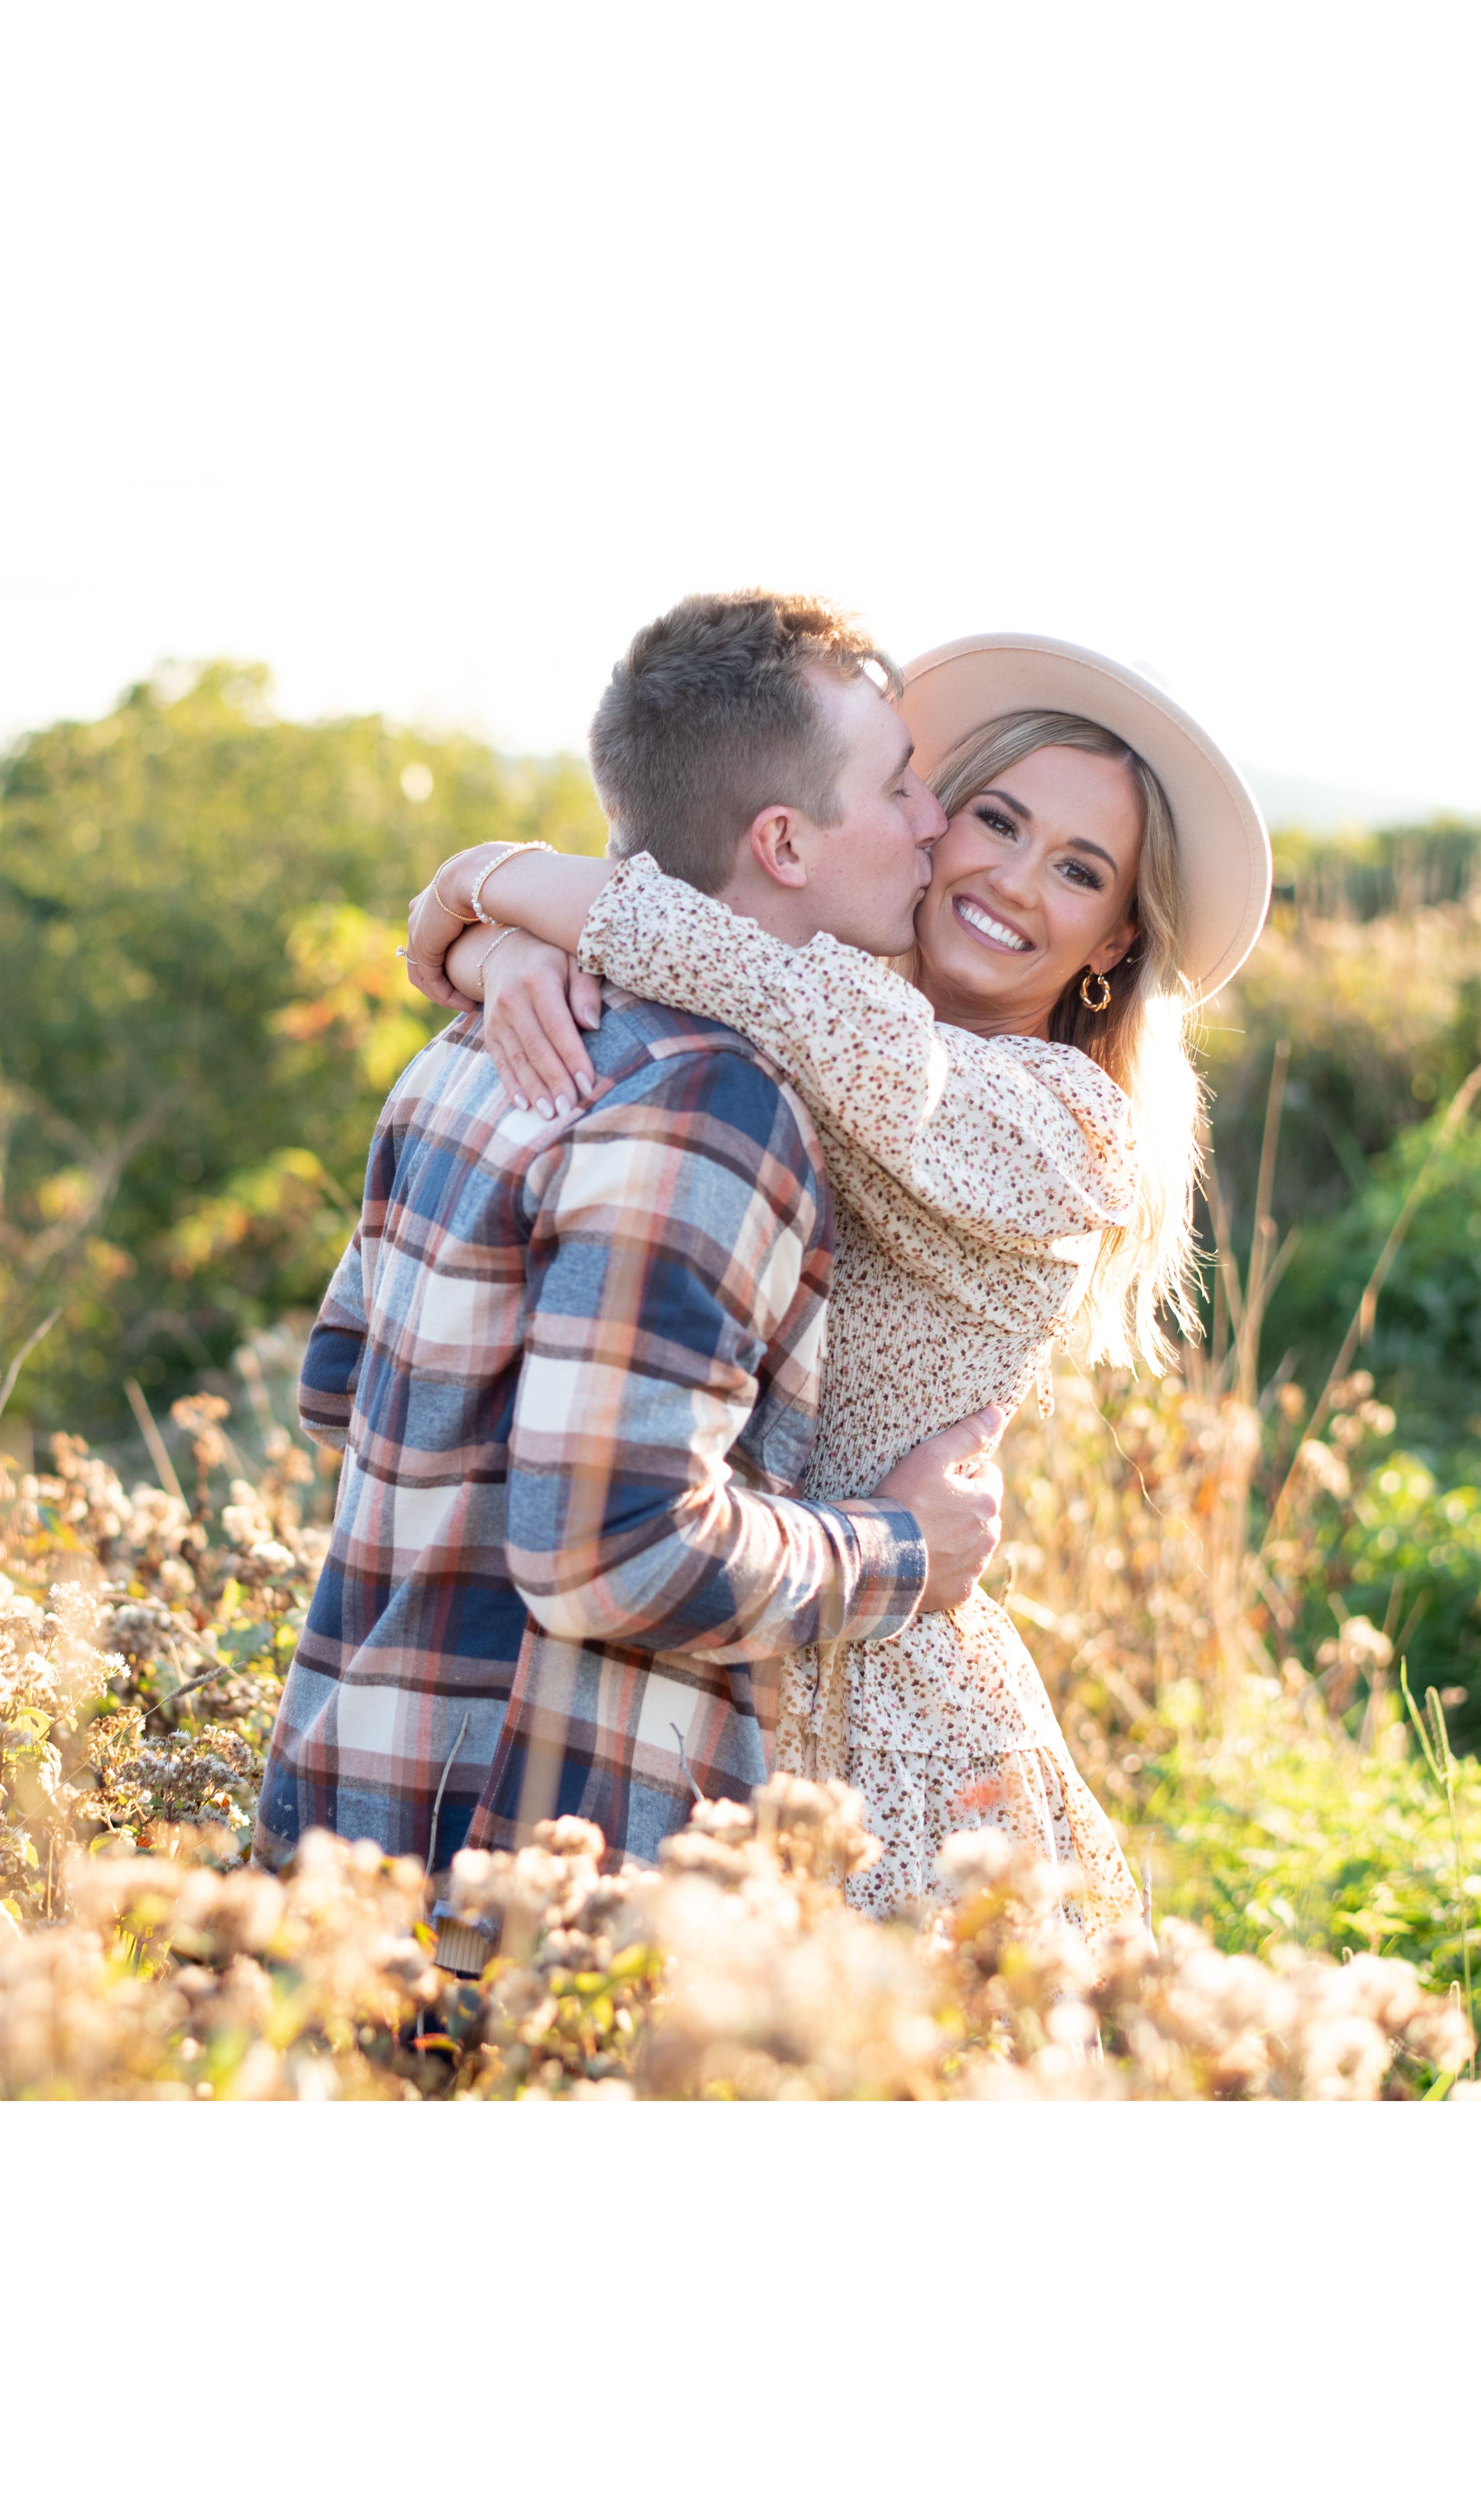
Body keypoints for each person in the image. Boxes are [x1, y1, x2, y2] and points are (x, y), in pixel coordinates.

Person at [405, 633, 1270, 1936]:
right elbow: (723, 966)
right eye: (996, 820)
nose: (1015, 878)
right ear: (932, 822)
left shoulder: (1058, 1126)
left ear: (1111, 941)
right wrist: (505, 958)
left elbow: (770, 988)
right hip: (698, 1619)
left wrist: (493, 885)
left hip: (877, 1688)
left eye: (1078, 870)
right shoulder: (818, 1006)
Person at [253, 593, 1014, 1961]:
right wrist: (907, 1548)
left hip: (340, 1812)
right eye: (897, 785)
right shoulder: (713, 1106)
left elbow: (337, 1391)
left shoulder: (476, 1041)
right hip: (535, 1883)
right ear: (781, 842)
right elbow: (613, 1557)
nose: (930, 821)